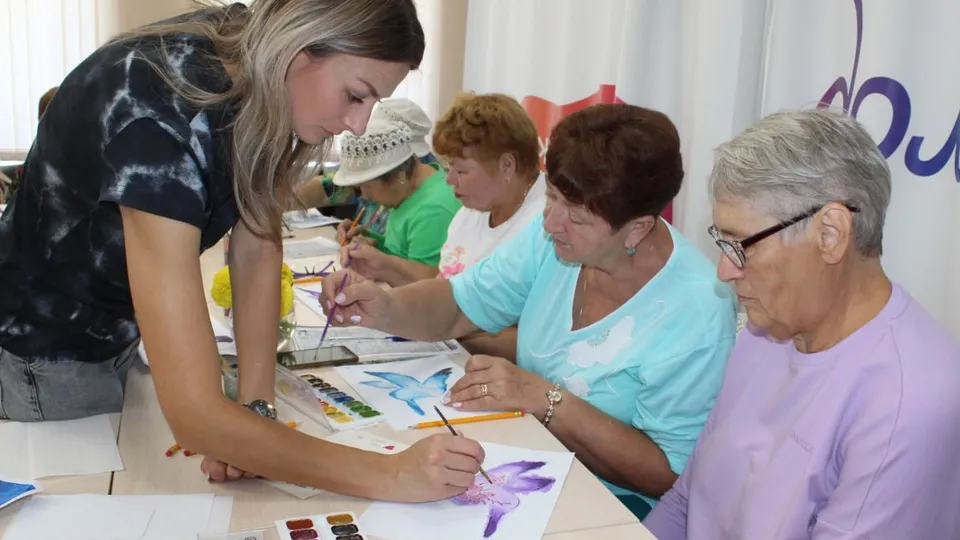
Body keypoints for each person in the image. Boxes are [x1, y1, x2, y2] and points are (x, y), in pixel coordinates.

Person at [0, 0, 485, 504]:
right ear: (300, 50)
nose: (358, 125)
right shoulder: (159, 119)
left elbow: (256, 243)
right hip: (51, 347)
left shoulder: (256, 76)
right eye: (355, 96)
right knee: (96, 501)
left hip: (118, 322)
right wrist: (389, 474)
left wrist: (256, 407)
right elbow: (196, 417)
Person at [321, 103, 739, 518]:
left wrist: (544, 398)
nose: (551, 222)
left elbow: (667, 474)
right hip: (532, 459)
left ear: (638, 228)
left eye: (576, 215)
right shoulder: (553, 243)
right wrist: (384, 306)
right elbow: (457, 306)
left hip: (612, 506)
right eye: (552, 197)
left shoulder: (697, 309)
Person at [644, 108, 960, 539]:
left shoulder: (908, 403)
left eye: (741, 245)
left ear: (830, 234)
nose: (724, 270)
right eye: (723, 243)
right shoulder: (765, 332)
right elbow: (687, 503)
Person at [333, 98, 461, 286]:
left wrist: (382, 263)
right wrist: (374, 242)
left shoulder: (434, 209)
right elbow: (404, 252)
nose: (365, 196)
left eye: (367, 186)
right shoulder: (408, 193)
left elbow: (430, 283)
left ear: (399, 175)